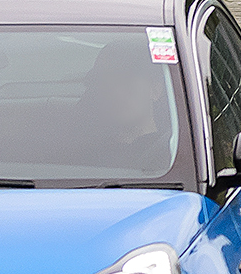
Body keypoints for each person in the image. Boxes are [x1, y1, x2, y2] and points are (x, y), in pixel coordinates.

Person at [73, 39, 175, 174]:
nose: (116, 93)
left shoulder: (173, 154)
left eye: (127, 81)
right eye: (106, 84)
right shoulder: (80, 158)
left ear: (155, 89)